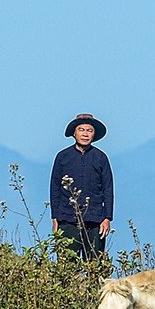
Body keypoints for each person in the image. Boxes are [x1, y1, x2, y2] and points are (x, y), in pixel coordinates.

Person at [50, 113, 113, 264]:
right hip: (67, 218)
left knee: (94, 264)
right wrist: (55, 217)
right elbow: (55, 188)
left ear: (94, 134)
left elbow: (108, 189)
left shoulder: (101, 158)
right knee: (66, 264)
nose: (85, 134)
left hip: (95, 219)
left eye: (89, 130)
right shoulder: (63, 157)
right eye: (81, 129)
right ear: (74, 133)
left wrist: (107, 218)